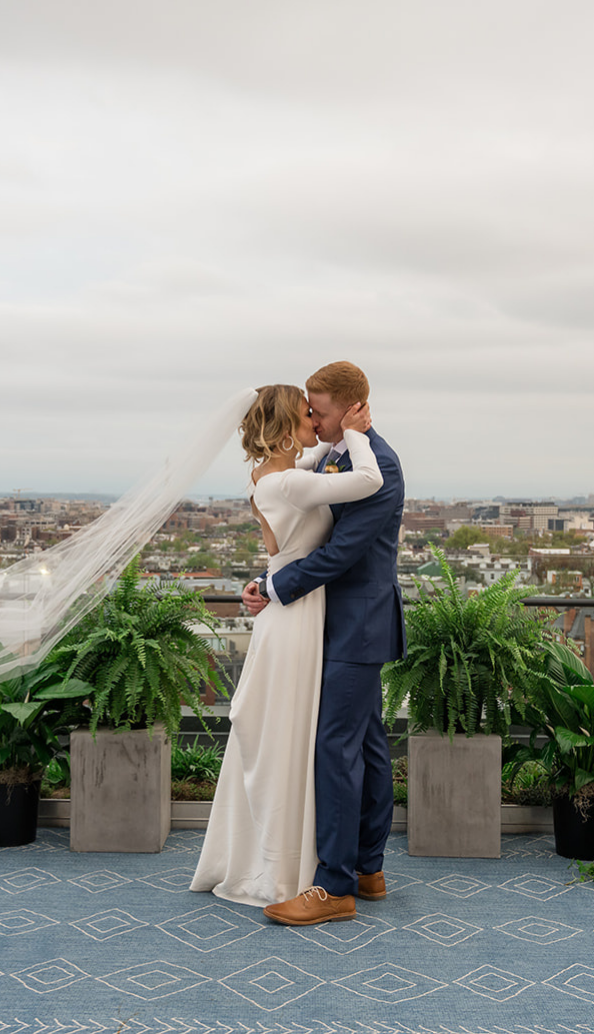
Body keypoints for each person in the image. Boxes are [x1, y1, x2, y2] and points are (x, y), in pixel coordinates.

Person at [190, 384, 381, 906]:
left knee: (292, 733)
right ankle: (280, 866)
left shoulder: (271, 476)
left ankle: (289, 856)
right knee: (289, 736)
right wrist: (357, 434)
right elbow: (367, 479)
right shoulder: (291, 483)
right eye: (305, 416)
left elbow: (322, 458)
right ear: (283, 427)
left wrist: (342, 432)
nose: (315, 424)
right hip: (296, 616)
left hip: (290, 606)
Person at [249, 361, 405, 927]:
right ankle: (368, 867)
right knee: (365, 744)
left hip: (355, 624)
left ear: (350, 407)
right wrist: (270, 578)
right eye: (307, 410)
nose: (311, 417)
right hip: (339, 621)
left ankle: (334, 886)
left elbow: (342, 555)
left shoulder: (377, 461)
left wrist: (276, 587)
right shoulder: (341, 453)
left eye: (318, 409)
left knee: (335, 747)